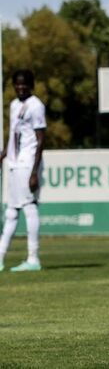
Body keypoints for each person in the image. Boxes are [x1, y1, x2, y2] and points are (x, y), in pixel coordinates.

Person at [0, 70, 46, 272]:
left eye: (24, 84)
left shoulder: (36, 106)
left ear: (31, 85)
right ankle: (0, 257)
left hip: (28, 163)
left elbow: (40, 139)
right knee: (11, 212)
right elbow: (14, 135)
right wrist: (4, 154)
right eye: (17, 84)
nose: (20, 88)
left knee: (29, 207)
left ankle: (33, 258)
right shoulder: (14, 105)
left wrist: (35, 171)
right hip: (14, 163)